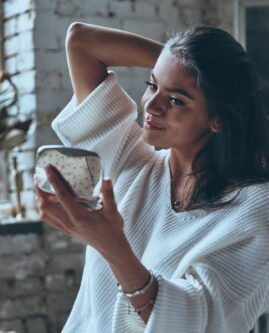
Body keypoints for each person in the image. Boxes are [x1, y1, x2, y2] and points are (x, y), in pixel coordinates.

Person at [36, 22, 269, 333]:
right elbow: (81, 42)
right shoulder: (130, 162)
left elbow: (198, 322)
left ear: (217, 119)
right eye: (152, 84)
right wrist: (178, 61)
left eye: (176, 100)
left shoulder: (254, 210)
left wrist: (113, 247)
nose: (151, 105)